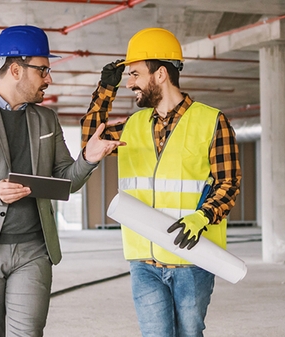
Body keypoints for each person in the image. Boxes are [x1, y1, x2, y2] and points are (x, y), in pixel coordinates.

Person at [0, 25, 123, 337]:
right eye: (43, 70)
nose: (48, 79)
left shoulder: (46, 119)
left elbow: (66, 180)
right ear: (15, 69)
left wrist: (88, 159)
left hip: (34, 250)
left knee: (28, 333)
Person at [81, 27, 242, 337]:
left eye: (135, 74)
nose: (129, 82)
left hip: (192, 258)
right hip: (143, 260)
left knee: (189, 334)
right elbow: (91, 140)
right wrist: (105, 89)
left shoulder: (211, 121)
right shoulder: (134, 125)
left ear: (161, 74)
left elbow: (228, 183)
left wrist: (202, 215)